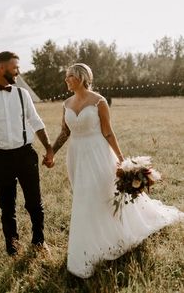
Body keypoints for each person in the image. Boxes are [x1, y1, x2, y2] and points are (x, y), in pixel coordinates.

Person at [52, 63, 184, 278]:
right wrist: (51, 152)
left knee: (102, 194)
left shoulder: (99, 102)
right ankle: (93, 236)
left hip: (98, 153)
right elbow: (64, 132)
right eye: (66, 76)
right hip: (76, 155)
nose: (66, 80)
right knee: (83, 196)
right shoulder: (66, 103)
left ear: (81, 77)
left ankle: (100, 243)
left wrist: (123, 162)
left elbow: (109, 133)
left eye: (69, 76)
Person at [0, 51, 54, 256]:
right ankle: (12, 248)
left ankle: (39, 241)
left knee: (34, 202)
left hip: (26, 155)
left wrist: (49, 148)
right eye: (15, 67)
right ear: (2, 68)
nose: (18, 71)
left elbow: (36, 122)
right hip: (0, 159)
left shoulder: (23, 95)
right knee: (7, 207)